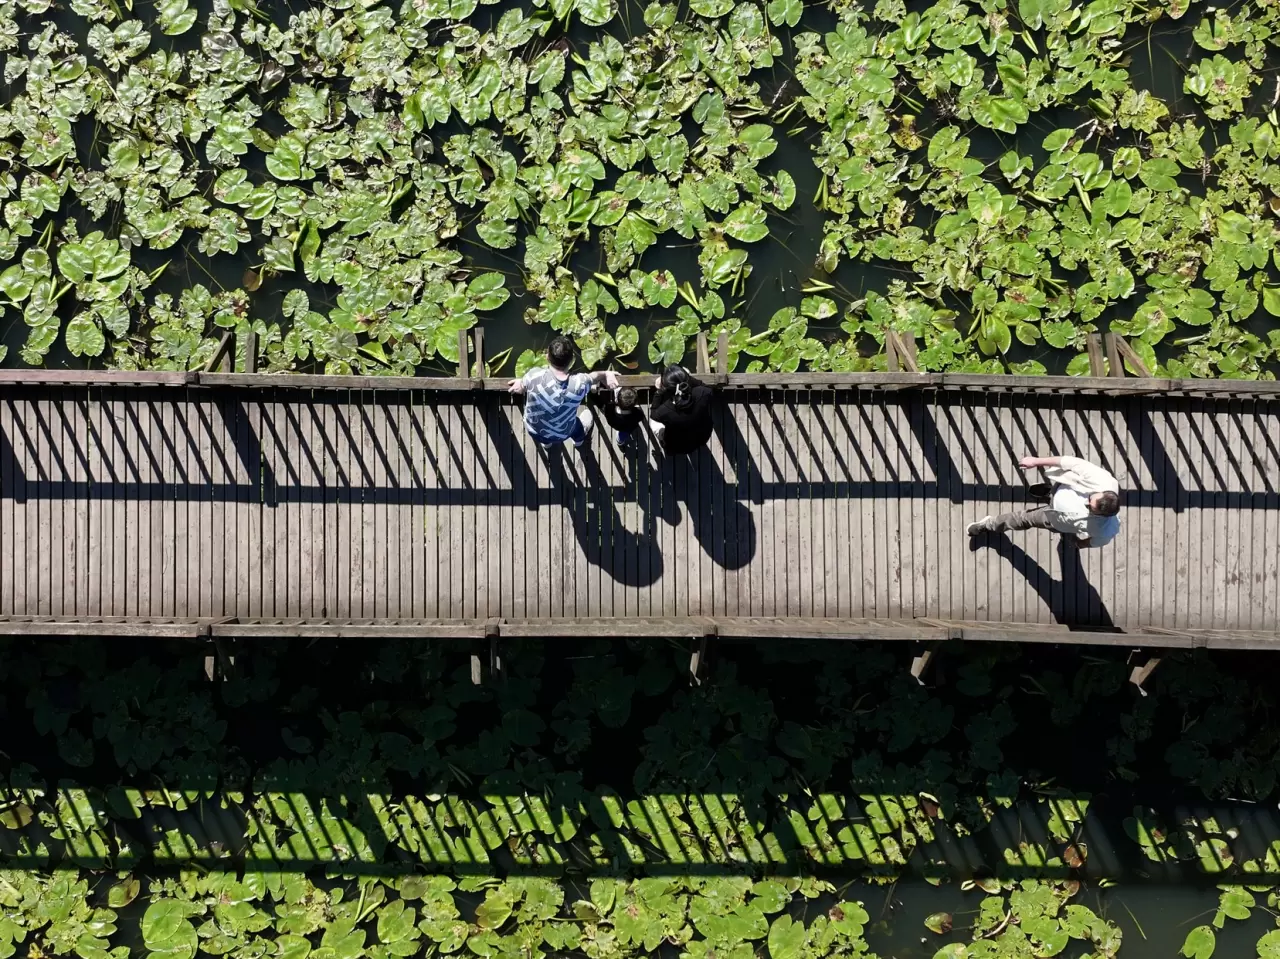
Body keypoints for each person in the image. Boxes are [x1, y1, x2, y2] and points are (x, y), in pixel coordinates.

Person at [966, 454, 1121, 548]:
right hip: (1063, 487)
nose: (1086, 503)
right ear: (1103, 492)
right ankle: (1049, 492)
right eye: (1090, 499)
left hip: (1054, 520)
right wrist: (1036, 461)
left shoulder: (1106, 529)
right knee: (1055, 490)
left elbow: (1098, 541)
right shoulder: (1101, 479)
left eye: (1090, 508)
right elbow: (1070, 462)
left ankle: (989, 524)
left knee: (1023, 519)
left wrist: (1080, 544)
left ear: (1102, 516)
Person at [507, 337, 618, 448]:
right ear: (571, 360)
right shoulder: (579, 383)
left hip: (535, 430)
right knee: (577, 428)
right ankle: (578, 442)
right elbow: (594, 377)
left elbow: (522, 387)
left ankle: (547, 444)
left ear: (547, 357)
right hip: (564, 432)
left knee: (544, 436)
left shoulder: (534, 376)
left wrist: (520, 383)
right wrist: (606, 373)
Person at [648, 364, 715, 455]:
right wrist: (687, 378)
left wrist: (659, 391)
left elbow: (653, 414)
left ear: (666, 387)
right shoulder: (703, 393)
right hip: (701, 436)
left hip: (676, 445)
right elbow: (705, 387)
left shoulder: (664, 411)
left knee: (654, 423)